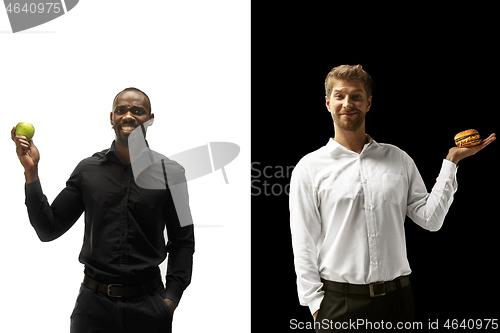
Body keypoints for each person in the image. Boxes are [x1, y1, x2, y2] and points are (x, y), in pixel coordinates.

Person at [289, 65, 495, 332]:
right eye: (340, 96)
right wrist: (316, 306)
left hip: (398, 303)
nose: (347, 103)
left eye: (357, 96)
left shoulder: (398, 158)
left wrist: (451, 162)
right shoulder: (309, 167)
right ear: (328, 103)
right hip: (340, 305)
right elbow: (303, 240)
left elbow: (431, 220)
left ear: (369, 102)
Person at [12, 87, 195, 333]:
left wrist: (171, 298)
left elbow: (183, 241)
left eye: (137, 111)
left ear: (150, 119)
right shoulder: (87, 171)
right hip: (93, 308)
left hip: (149, 306)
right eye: (121, 110)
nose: (128, 116)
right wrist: (31, 172)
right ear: (112, 118)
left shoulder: (172, 173)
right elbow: (48, 229)